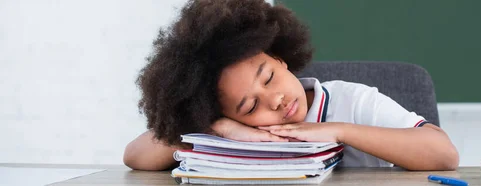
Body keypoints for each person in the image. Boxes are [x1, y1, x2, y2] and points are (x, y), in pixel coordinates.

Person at [124, 0, 459, 171]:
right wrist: (219, 127)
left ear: (280, 57)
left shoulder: (353, 100)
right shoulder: (231, 129)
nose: (276, 100)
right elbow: (135, 156)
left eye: (269, 77)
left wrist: (339, 131)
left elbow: (444, 154)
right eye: (250, 106)